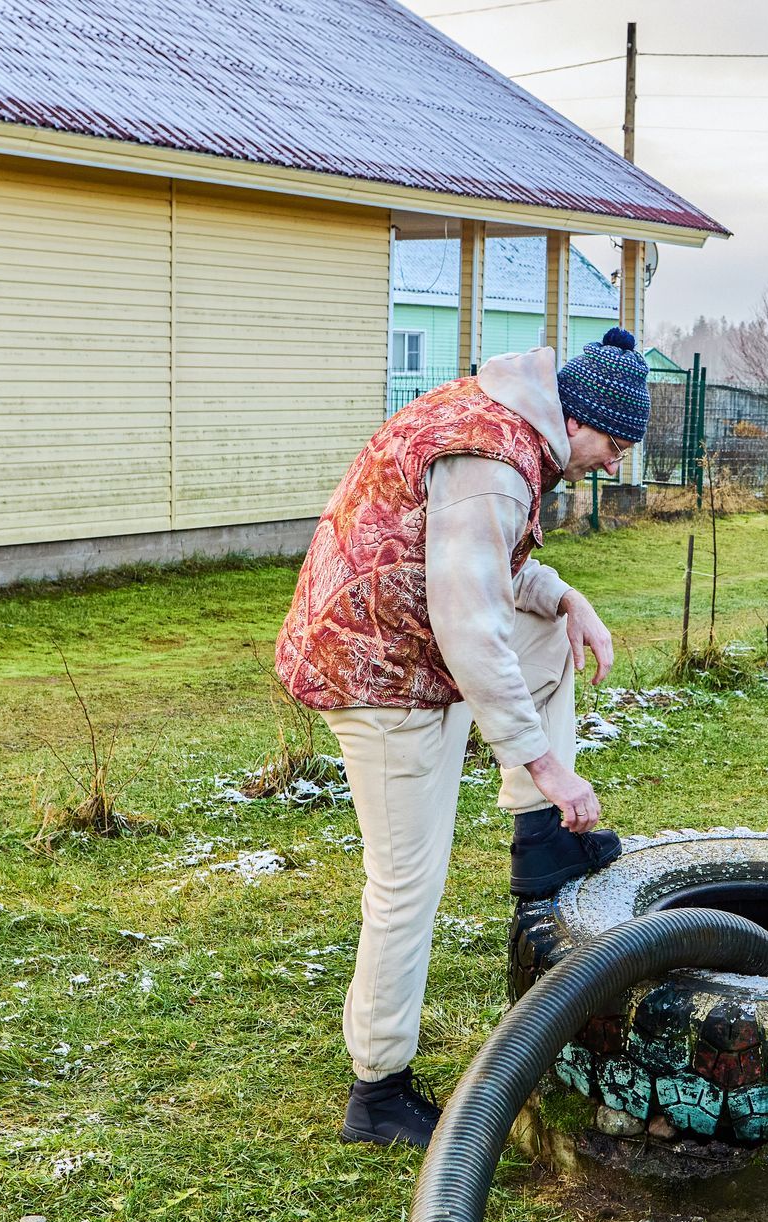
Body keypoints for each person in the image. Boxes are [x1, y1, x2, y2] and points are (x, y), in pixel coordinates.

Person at [275, 327, 651, 1147]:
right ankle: (378, 1090)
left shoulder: (511, 429)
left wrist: (562, 596)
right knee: (408, 883)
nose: (615, 463)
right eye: (615, 444)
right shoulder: (492, 459)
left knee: (548, 634)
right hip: (377, 668)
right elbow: (470, 622)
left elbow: (481, 568)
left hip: (410, 635)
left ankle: (538, 842)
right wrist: (545, 763)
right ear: (579, 417)